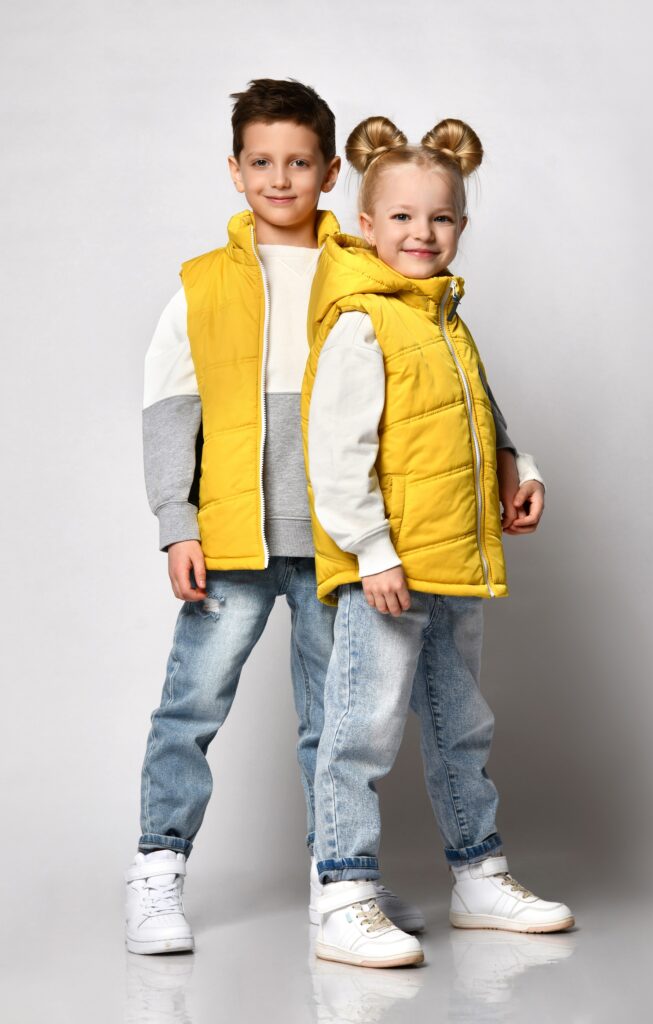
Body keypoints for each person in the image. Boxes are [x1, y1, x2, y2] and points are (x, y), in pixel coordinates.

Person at [124, 80, 430, 955]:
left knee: (336, 722)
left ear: (331, 173)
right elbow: (169, 411)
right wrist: (177, 521)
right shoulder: (203, 286)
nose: (280, 178)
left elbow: (426, 382)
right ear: (235, 169)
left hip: (338, 544)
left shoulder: (366, 272)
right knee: (190, 708)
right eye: (262, 162)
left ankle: (338, 880)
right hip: (231, 541)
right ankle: (155, 871)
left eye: (299, 162)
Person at [302, 115, 574, 969]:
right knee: (361, 729)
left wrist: (519, 471)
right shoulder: (362, 322)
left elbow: (478, 419)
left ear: (460, 225)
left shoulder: (446, 321)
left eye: (441, 218)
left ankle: (478, 875)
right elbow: (334, 452)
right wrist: (372, 551)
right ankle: (342, 893)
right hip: (385, 570)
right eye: (402, 217)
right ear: (366, 224)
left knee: (461, 726)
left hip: (453, 560)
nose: (422, 233)